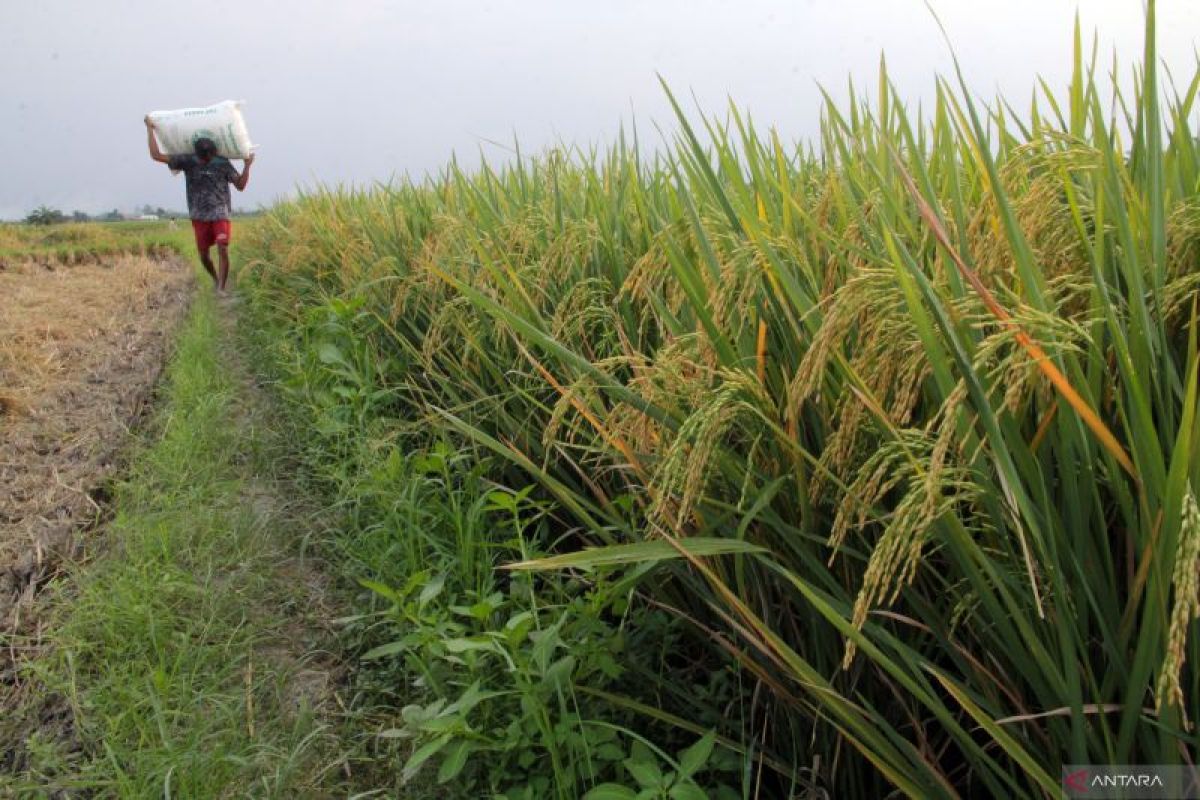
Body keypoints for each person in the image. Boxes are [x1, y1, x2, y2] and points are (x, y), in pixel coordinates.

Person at [144, 116, 254, 292]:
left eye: (209, 157)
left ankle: (221, 289)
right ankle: (215, 279)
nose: (206, 160)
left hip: (220, 213)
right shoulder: (187, 161)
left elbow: (240, 186)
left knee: (223, 248)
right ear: (197, 154)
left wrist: (247, 166)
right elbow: (156, 155)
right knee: (203, 255)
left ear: (214, 153)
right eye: (203, 158)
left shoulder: (222, 163)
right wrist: (150, 129)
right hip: (199, 215)